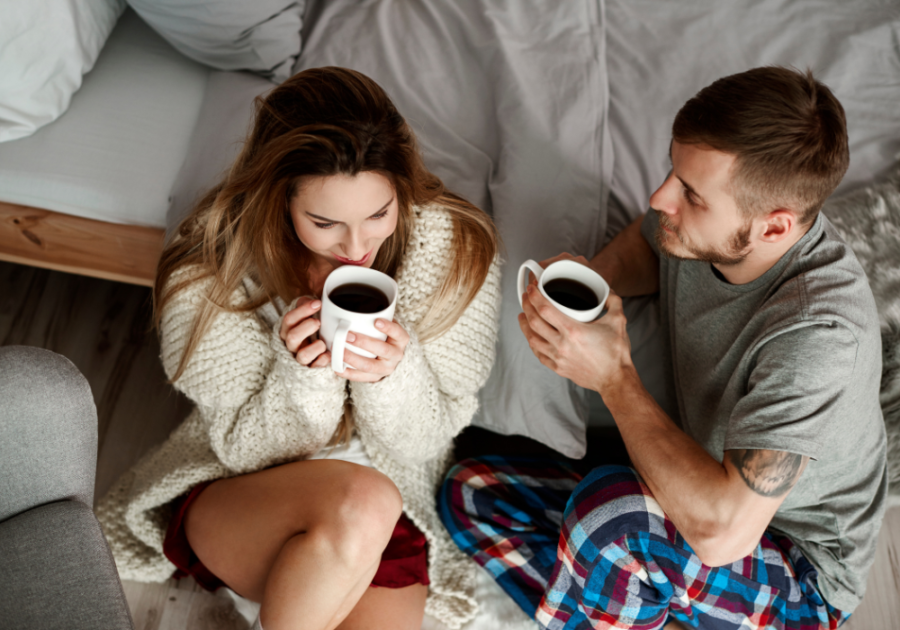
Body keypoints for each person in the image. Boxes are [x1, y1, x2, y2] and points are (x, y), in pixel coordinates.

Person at [439, 66, 887, 630]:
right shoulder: (705, 230)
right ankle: (635, 607)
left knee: (612, 520)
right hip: (689, 499)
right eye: (672, 172)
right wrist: (590, 285)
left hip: (795, 571)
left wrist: (614, 377)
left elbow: (724, 534)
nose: (660, 197)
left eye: (691, 195)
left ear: (774, 229)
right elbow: (648, 243)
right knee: (472, 490)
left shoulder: (816, 339)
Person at [96, 66, 502, 630]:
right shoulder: (210, 270)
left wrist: (392, 375)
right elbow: (243, 450)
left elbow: (425, 440)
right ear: (278, 198)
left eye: (378, 214)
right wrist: (304, 373)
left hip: (394, 513)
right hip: (246, 493)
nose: (357, 246)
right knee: (366, 500)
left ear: (401, 187)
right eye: (325, 222)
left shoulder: (454, 252)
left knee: (377, 502)